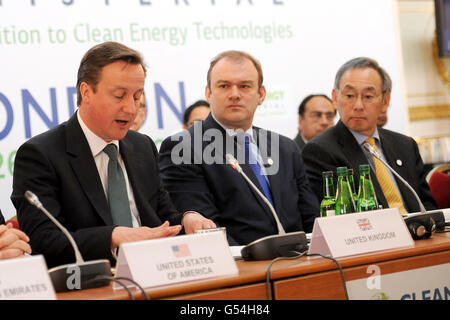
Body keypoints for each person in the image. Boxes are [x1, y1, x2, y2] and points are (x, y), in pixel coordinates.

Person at [11, 42, 213, 268]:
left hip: (158, 271)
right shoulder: (41, 154)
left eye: (137, 97)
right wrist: (114, 237)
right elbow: (43, 240)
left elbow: (163, 216)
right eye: (119, 95)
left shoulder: (143, 146)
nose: (130, 108)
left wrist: (187, 220)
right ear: (86, 92)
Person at [159, 50, 319, 246]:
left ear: (261, 94)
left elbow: (312, 220)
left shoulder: (285, 148)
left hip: (301, 264)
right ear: (209, 93)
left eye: (244, 86)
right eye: (224, 86)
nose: (234, 94)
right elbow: (207, 233)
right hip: (242, 269)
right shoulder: (184, 148)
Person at [302, 57, 436, 213]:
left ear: (385, 101)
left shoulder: (405, 145)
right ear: (335, 98)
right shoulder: (320, 151)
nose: (358, 106)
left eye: (368, 97)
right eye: (349, 96)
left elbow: (428, 206)